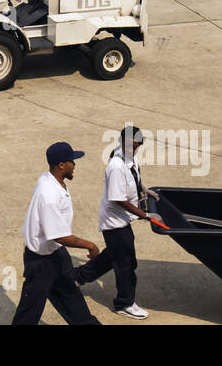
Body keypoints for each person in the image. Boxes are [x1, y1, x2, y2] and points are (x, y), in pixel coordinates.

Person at [11, 141, 103, 325]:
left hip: (56, 256)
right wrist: (90, 245)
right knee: (29, 313)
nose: (74, 165)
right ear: (61, 165)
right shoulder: (49, 195)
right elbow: (58, 235)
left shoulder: (48, 179)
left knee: (74, 303)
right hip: (40, 263)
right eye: (72, 161)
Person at [76, 125, 155, 319]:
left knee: (112, 257)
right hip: (115, 223)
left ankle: (74, 277)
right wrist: (145, 215)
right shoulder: (117, 167)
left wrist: (145, 190)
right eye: (131, 145)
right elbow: (118, 199)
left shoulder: (129, 157)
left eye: (137, 145)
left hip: (121, 221)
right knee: (126, 263)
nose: (133, 149)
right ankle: (124, 304)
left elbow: (135, 176)